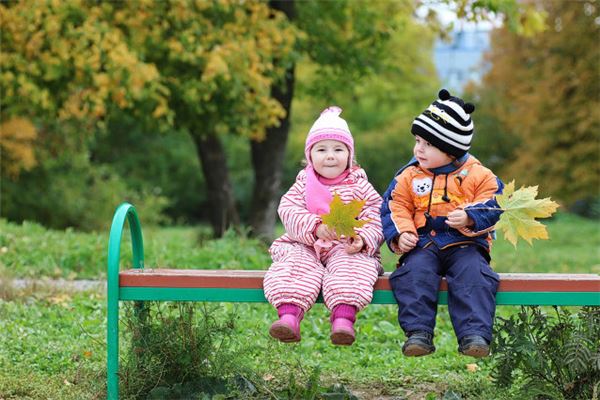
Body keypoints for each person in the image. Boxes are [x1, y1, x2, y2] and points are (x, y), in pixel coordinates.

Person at [380, 89, 504, 358]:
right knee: (414, 272)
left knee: (474, 275)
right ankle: (418, 333)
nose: (418, 149)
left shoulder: (478, 174)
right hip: (424, 242)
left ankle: (474, 335)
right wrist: (402, 233)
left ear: (450, 150)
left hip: (466, 243)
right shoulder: (409, 176)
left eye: (428, 144)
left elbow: (494, 201)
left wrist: (471, 216)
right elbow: (394, 205)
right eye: (417, 141)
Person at [263, 106, 384, 346]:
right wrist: (314, 227)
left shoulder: (359, 186)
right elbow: (288, 210)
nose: (330, 155)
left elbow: (376, 214)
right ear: (310, 156)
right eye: (321, 149)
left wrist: (361, 238)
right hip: (307, 243)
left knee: (353, 267)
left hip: (345, 245)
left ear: (349, 155)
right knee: (294, 264)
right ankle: (289, 316)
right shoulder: (302, 184)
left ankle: (343, 319)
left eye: (338, 149)